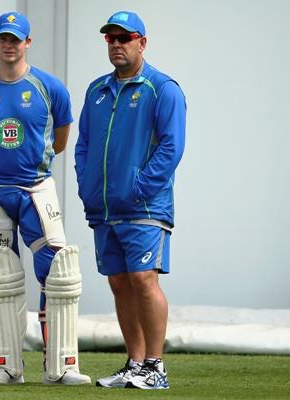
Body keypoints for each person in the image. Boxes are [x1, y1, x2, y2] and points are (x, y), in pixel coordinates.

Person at [0, 11, 91, 385]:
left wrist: (31, 166)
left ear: (27, 42)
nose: (9, 44)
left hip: (37, 187)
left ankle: (61, 366)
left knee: (59, 272)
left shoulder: (50, 88)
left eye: (16, 38)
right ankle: (5, 366)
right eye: (4, 38)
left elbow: (60, 139)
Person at [75, 11, 186, 390]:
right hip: (104, 206)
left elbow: (172, 147)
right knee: (120, 283)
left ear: (143, 42)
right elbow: (83, 145)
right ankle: (135, 363)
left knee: (143, 278)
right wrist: (87, 185)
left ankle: (156, 366)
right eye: (111, 38)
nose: (117, 44)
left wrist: (139, 188)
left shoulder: (162, 88)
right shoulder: (96, 91)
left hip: (145, 207)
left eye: (125, 37)